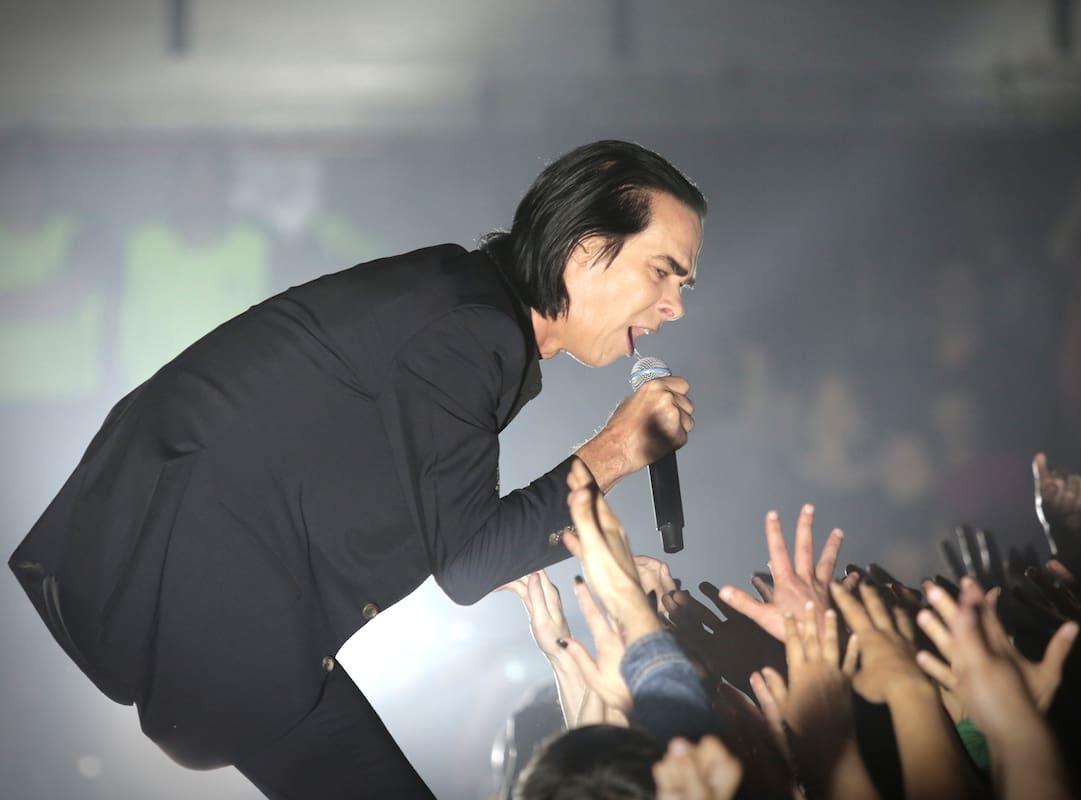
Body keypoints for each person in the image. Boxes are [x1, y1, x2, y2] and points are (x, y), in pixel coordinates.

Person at [9, 139, 705, 798]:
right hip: (218, 608)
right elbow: (465, 562)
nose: (674, 304)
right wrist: (616, 449)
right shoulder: (470, 332)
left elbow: (421, 509)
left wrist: (589, 557)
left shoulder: (466, 304)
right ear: (586, 253)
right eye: (662, 271)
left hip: (224, 600)